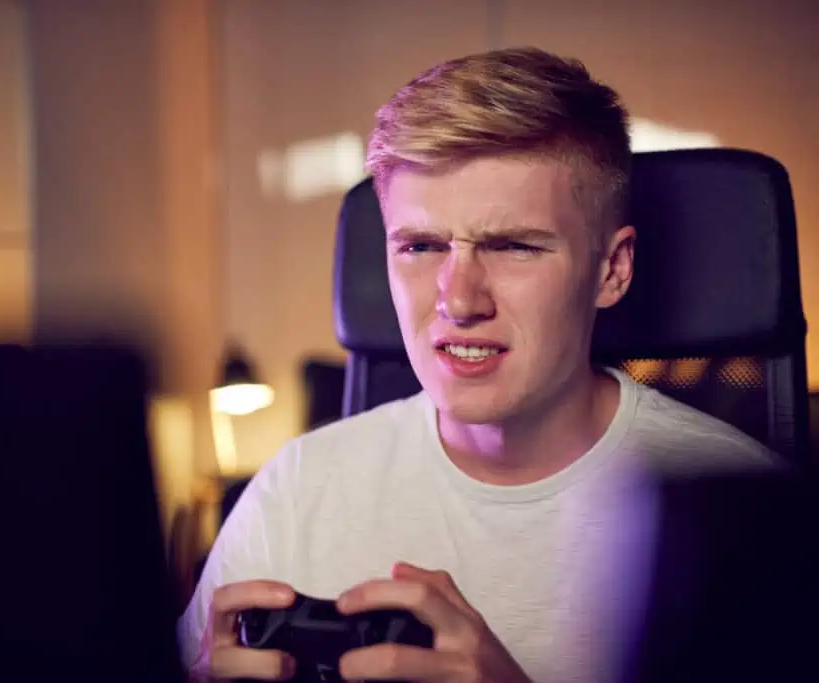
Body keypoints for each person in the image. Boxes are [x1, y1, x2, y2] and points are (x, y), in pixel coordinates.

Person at [178, 47, 776, 683]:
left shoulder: (749, 520)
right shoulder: (298, 490)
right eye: (420, 246)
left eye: (514, 246)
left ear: (612, 269)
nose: (458, 301)